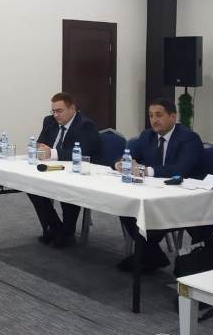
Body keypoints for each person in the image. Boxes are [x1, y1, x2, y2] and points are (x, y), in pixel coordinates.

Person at [116, 97, 203, 273]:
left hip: (181, 198)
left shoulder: (189, 138)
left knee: (143, 217)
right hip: (153, 192)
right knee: (125, 207)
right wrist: (121, 163)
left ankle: (146, 255)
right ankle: (152, 255)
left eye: (159, 115)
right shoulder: (147, 136)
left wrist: (146, 170)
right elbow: (128, 156)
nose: (154, 120)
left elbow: (181, 169)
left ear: (173, 117)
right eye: (151, 115)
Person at [28, 92, 101, 248]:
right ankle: (55, 227)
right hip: (52, 169)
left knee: (67, 188)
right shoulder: (49, 121)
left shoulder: (85, 125)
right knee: (30, 185)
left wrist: (52, 153)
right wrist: (40, 148)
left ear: (72, 108)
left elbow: (83, 153)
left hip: (77, 172)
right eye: (53, 111)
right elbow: (41, 143)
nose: (55, 115)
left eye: (59, 111)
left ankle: (67, 232)